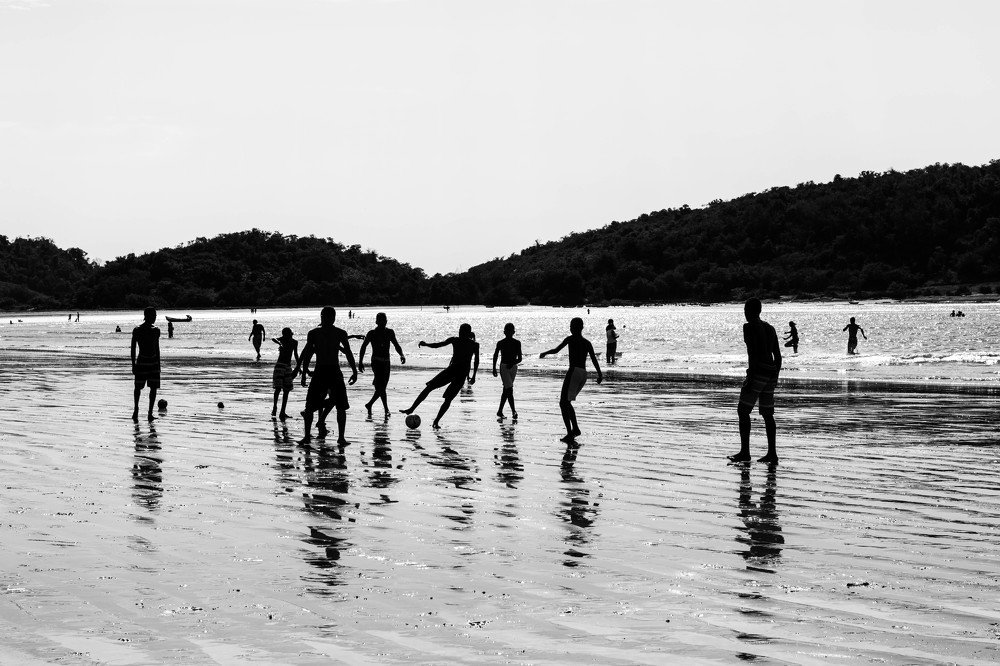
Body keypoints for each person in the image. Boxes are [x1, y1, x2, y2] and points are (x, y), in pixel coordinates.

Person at [294, 307, 357, 445]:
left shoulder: (335, 333)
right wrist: (303, 372)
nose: (327, 319)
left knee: (338, 405)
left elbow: (348, 352)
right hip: (326, 371)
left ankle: (338, 437)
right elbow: (308, 354)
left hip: (328, 371)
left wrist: (354, 370)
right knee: (314, 406)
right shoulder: (319, 333)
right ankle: (335, 437)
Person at [729, 298, 782, 464]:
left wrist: (750, 378)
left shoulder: (749, 327)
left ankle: (745, 452)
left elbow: (753, 354)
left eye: (745, 310)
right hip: (770, 373)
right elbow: (778, 356)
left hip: (758, 372)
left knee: (743, 411)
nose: (744, 313)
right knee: (767, 414)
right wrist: (775, 377)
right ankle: (772, 453)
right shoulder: (770, 328)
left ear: (750, 311)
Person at [400, 323, 479, 429]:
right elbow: (439, 345)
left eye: (462, 331)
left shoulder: (474, 345)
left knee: (448, 399)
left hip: (461, 375)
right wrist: (426, 344)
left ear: (468, 333)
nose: (460, 333)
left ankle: (436, 421)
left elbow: (476, 361)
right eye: (460, 330)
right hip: (451, 370)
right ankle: (411, 409)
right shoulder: (455, 340)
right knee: (429, 387)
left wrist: (473, 375)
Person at [540, 317, 603, 442]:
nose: (570, 328)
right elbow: (594, 359)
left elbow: (556, 350)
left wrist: (545, 353)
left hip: (574, 371)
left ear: (575, 328)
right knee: (566, 402)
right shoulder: (587, 342)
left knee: (563, 403)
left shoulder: (570, 339)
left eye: (571, 326)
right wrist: (600, 374)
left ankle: (571, 432)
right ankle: (575, 430)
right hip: (583, 374)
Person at [358, 312, 406, 418]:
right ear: (376, 321)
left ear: (386, 321)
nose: (382, 322)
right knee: (382, 386)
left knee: (382, 387)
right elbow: (363, 347)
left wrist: (401, 354)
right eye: (380, 320)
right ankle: (386, 409)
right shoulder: (371, 333)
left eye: (384, 320)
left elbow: (396, 345)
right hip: (376, 362)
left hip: (386, 362)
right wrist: (360, 362)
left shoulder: (389, 332)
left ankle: (369, 404)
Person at [130, 307, 161, 422]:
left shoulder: (156, 330)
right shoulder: (137, 330)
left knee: (153, 388)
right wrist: (133, 364)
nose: (155, 317)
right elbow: (133, 348)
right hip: (142, 361)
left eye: (155, 315)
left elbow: (157, 348)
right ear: (147, 316)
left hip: (153, 362)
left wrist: (159, 364)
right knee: (138, 387)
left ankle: (150, 413)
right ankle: (136, 410)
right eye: (153, 315)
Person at [492, 322, 522, 420]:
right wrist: (494, 368)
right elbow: (495, 355)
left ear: (513, 332)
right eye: (507, 331)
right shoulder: (500, 343)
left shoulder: (517, 343)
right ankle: (514, 411)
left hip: (513, 367)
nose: (509, 333)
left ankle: (500, 411)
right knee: (509, 389)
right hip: (504, 367)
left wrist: (512, 363)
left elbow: (520, 358)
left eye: (510, 331)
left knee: (506, 390)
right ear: (504, 332)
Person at [271, 328, 300, 420]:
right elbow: (273, 338)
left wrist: (299, 367)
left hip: (287, 366)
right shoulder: (282, 340)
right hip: (280, 365)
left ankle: (282, 411)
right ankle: (275, 407)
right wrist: (280, 343)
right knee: (278, 388)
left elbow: (296, 355)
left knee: (286, 390)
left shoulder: (294, 342)